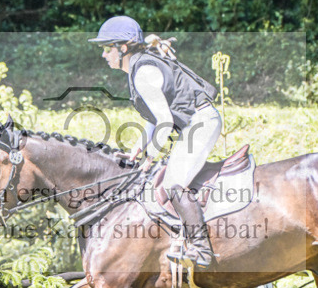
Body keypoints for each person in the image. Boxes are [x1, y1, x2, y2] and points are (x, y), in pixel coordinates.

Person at [89, 15, 221, 267]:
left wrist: (150, 156)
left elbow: (164, 121)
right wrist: (138, 148)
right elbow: (154, 118)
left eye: (107, 48)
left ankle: (201, 249)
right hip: (195, 123)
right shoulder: (140, 66)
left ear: (123, 48)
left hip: (201, 122)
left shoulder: (143, 72)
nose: (104, 55)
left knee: (173, 183)